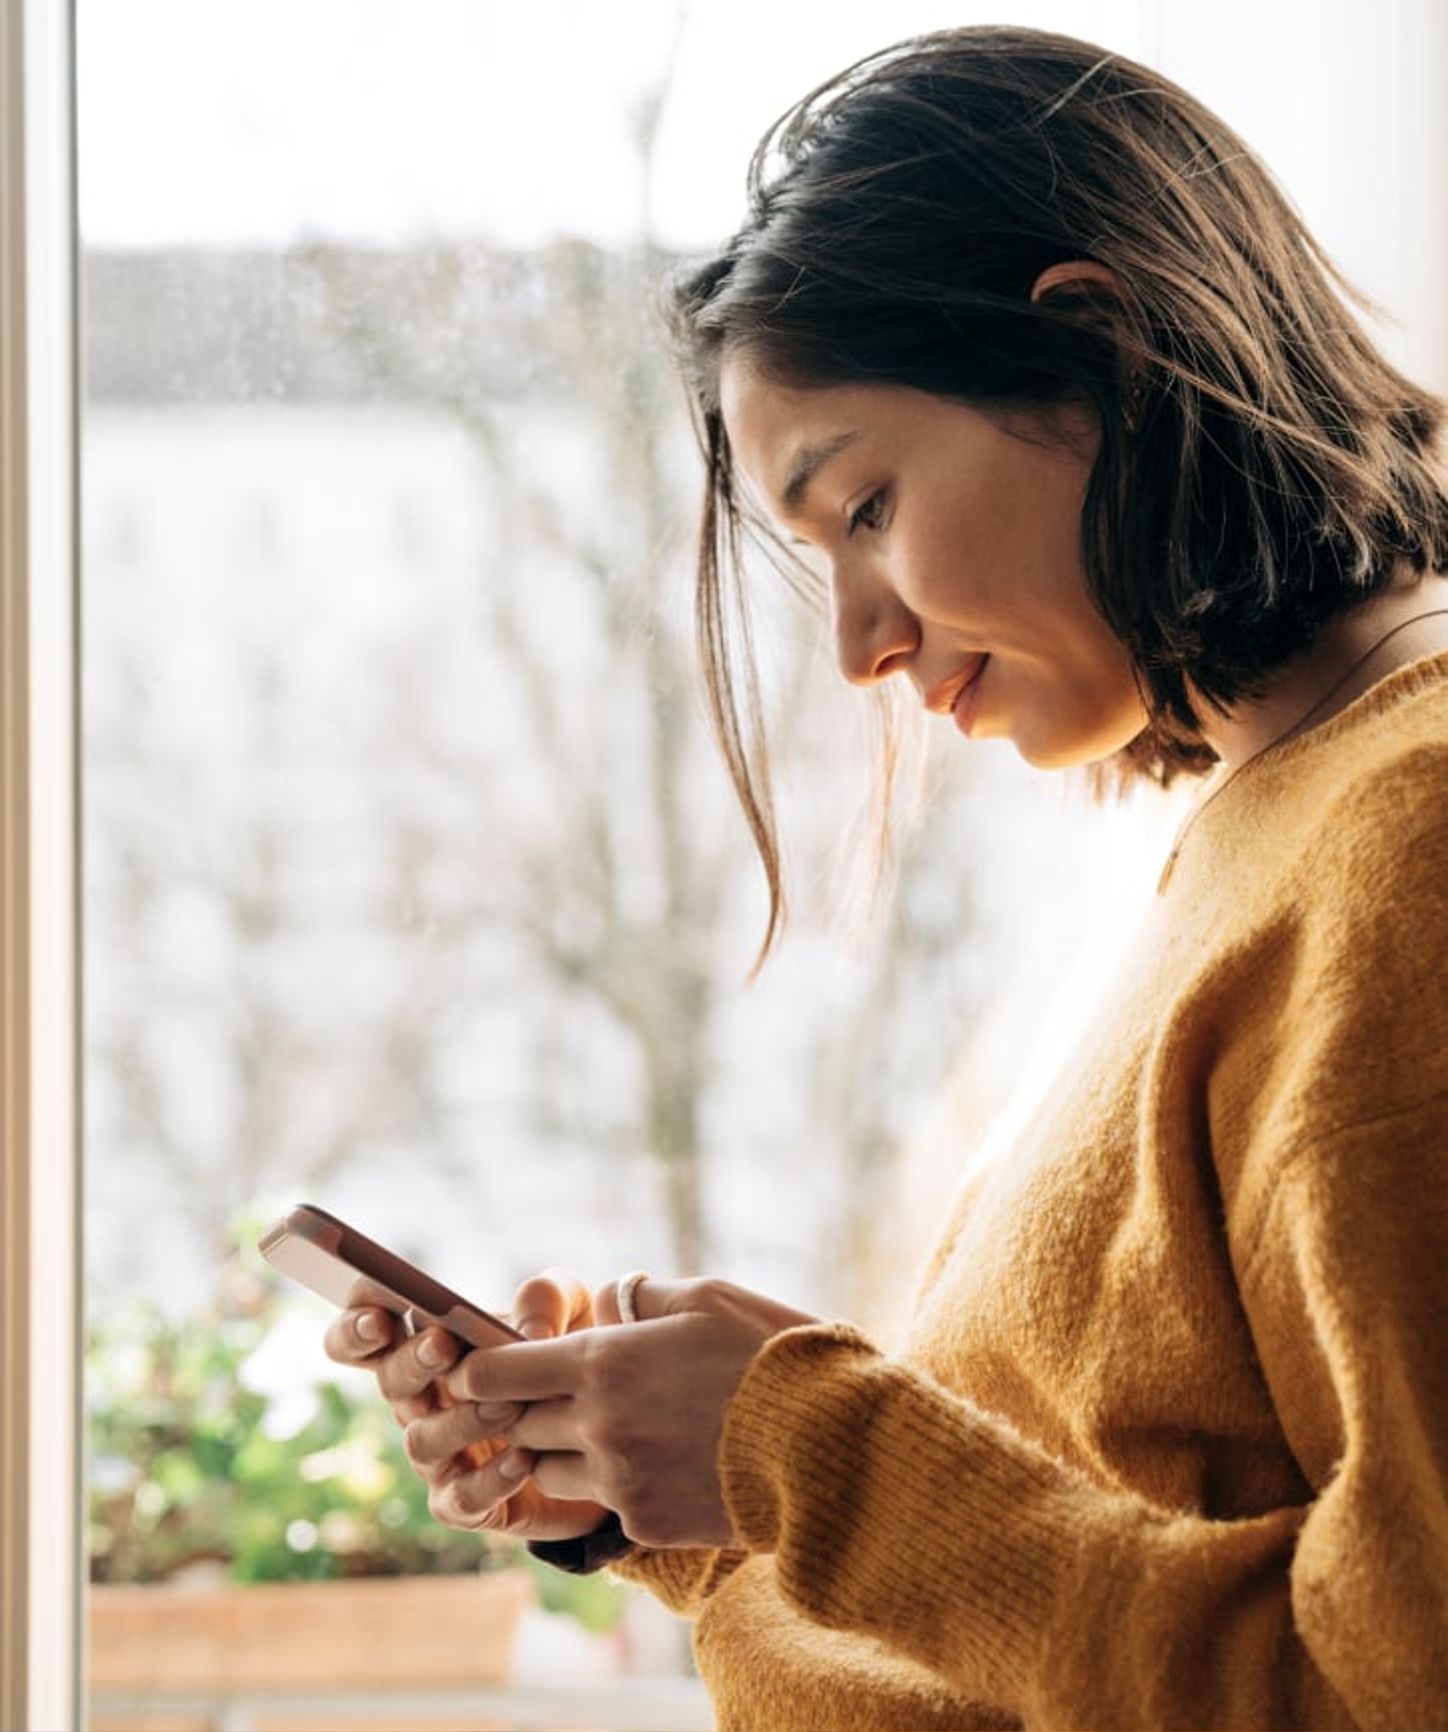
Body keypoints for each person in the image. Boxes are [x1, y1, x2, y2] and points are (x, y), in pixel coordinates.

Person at [324, 26, 1448, 1730]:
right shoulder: (1262, 826)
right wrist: (684, 1478)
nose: (860, 647)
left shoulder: (1407, 857)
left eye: (863, 506)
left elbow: (1389, 1688)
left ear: (1102, 351)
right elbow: (1086, 1569)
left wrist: (803, 1450)